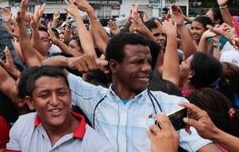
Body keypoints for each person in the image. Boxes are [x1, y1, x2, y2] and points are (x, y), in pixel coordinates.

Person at [66, 33, 220, 151]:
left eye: (148, 62)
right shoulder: (93, 97)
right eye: (137, 62)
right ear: (113, 66)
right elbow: (45, 70)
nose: (147, 68)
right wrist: (67, 61)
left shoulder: (171, 105)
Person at [6, 66, 112, 152]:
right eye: (45, 95)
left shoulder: (99, 147)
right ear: (30, 102)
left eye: (61, 93)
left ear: (71, 96)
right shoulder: (22, 125)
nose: (55, 101)